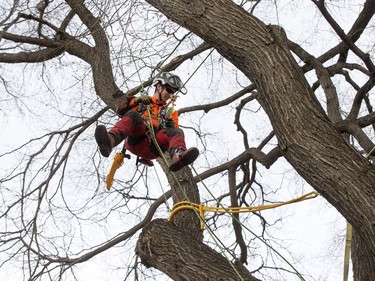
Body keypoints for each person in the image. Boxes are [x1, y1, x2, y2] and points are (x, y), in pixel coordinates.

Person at [95, 72, 199, 172]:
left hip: (155, 146)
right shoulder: (142, 102)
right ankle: (110, 140)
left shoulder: (170, 112)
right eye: (169, 90)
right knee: (133, 115)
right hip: (137, 139)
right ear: (159, 86)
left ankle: (178, 155)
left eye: (173, 93)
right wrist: (135, 101)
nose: (170, 95)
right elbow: (121, 110)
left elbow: (172, 134)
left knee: (177, 131)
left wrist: (170, 125)